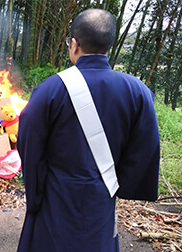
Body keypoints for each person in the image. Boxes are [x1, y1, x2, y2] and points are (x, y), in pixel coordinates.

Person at [17, 8, 160, 252]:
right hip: (101, 198)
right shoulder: (137, 92)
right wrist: (119, 182)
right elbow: (145, 147)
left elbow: (29, 146)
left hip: (56, 199)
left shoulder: (50, 90)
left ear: (74, 44)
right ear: (109, 45)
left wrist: (36, 192)